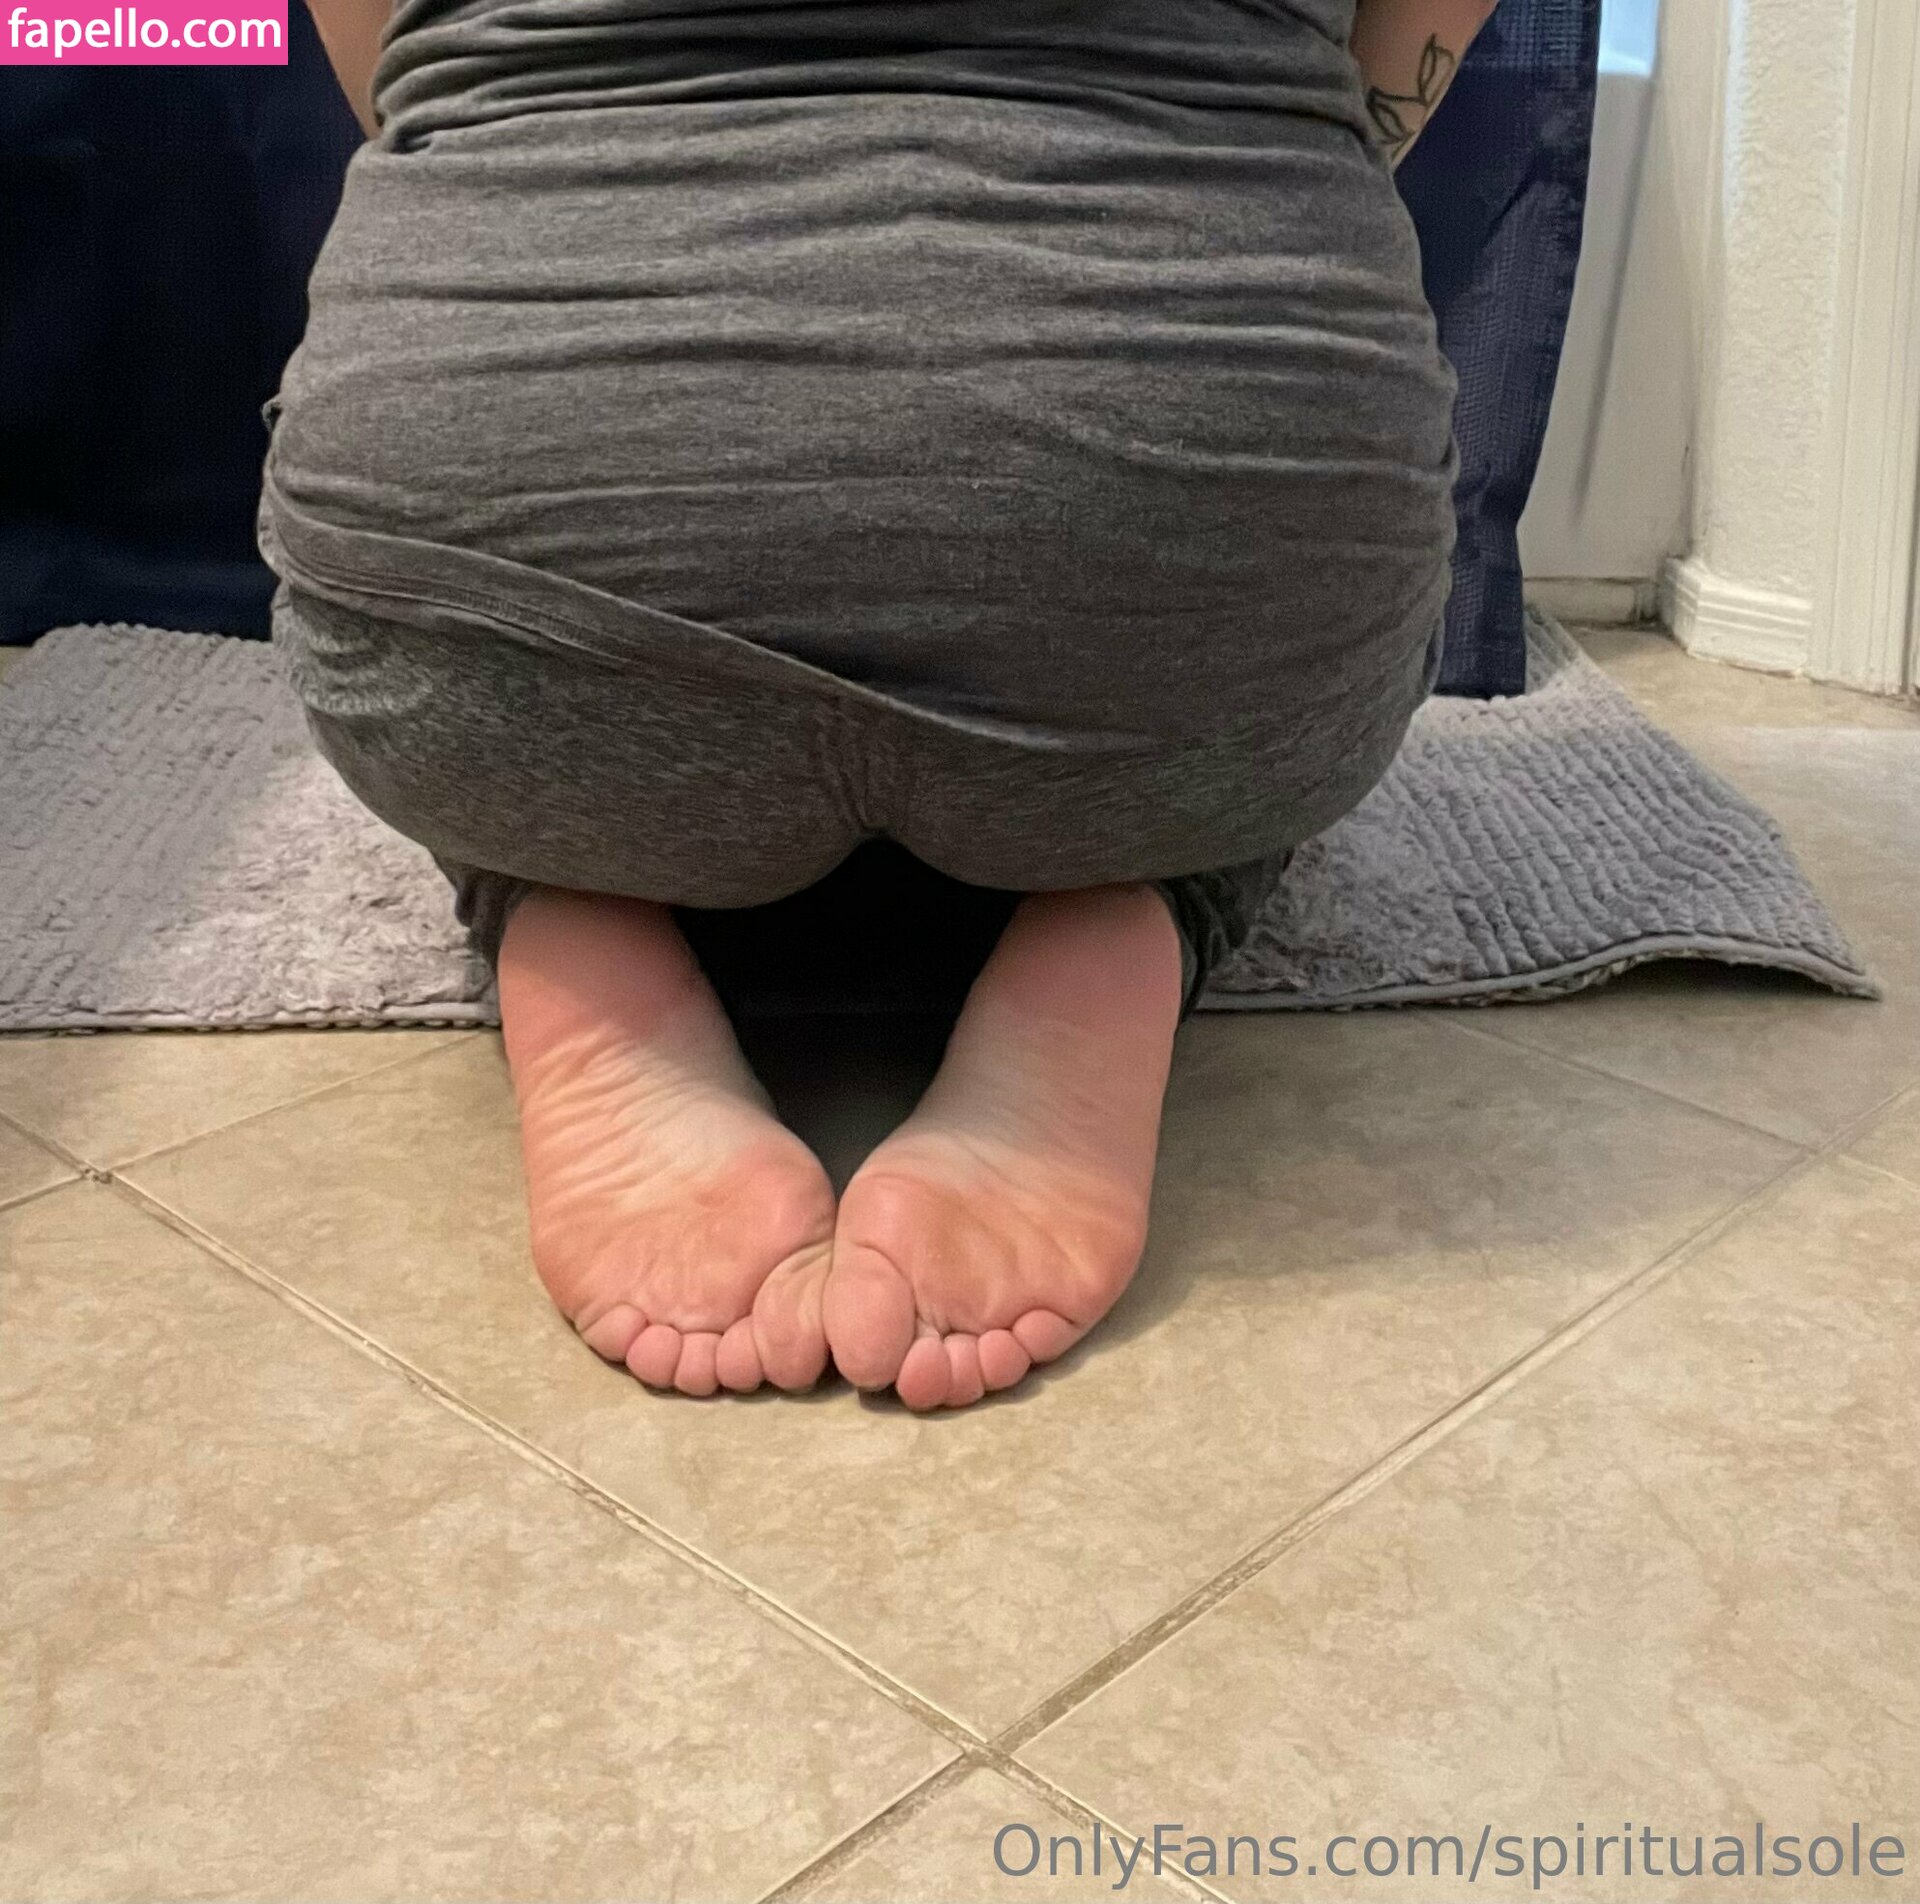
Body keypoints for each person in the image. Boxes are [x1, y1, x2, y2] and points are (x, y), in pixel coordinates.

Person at [265, 0, 1493, 1409]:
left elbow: (390, 59)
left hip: (513, 511)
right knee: (1260, 663)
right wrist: (1258, 194)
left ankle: (556, 911)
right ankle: (1149, 907)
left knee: (448, 642)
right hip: (1194, 512)